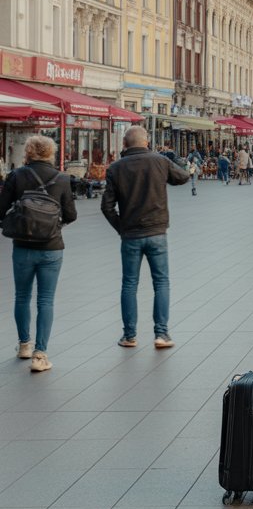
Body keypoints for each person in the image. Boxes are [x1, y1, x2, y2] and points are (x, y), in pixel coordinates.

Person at [102, 126, 190, 349]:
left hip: (130, 234)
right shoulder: (159, 161)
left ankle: (129, 335)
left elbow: (107, 206)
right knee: (161, 282)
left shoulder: (115, 168)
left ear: (124, 144)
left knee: (129, 284)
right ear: (147, 141)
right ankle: (162, 334)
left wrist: (121, 227)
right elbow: (182, 177)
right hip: (157, 231)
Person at [0, 135, 77, 372]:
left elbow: (1, 209)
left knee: (22, 296)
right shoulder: (62, 178)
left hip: (23, 246)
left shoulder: (16, 176)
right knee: (46, 300)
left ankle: (24, 344)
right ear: (50, 153)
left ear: (29, 152)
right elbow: (71, 214)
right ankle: (40, 355)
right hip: (51, 247)